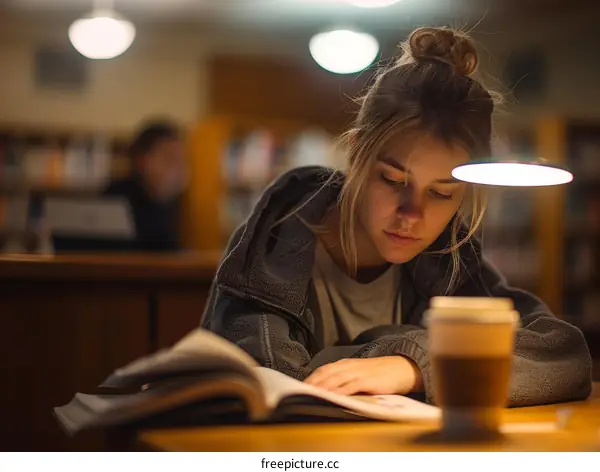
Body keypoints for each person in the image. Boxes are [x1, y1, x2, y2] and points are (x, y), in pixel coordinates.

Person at [201, 27, 592, 406]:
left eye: (441, 192)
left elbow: (564, 355)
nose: (412, 214)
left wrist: (413, 364)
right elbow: (269, 384)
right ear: (355, 155)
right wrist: (422, 349)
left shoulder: (446, 261)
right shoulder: (273, 248)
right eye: (392, 180)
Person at [103, 120, 187, 252]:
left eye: (180, 161)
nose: (177, 170)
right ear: (142, 160)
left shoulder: (169, 204)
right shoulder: (116, 199)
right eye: (169, 159)